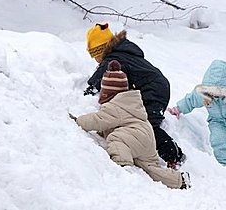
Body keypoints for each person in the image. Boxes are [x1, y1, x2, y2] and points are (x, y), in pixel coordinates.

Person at [71, 60, 190, 189]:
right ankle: (179, 180)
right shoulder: (131, 102)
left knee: (116, 138)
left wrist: (79, 121)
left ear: (108, 93)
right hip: (146, 138)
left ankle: (123, 165)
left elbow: (98, 120)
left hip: (135, 136)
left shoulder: (115, 106)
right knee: (150, 167)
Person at [84, 23, 185, 168]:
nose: (95, 59)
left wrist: (87, 93)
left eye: (94, 54)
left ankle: (174, 155)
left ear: (102, 49)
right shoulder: (122, 52)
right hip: (157, 85)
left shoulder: (113, 58)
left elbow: (95, 83)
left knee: (146, 125)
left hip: (153, 89)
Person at [167, 60, 226, 174]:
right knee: (219, 140)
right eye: (212, 92)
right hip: (217, 122)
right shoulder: (203, 94)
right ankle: (224, 164)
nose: (215, 96)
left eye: (219, 93)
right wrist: (178, 109)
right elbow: (190, 101)